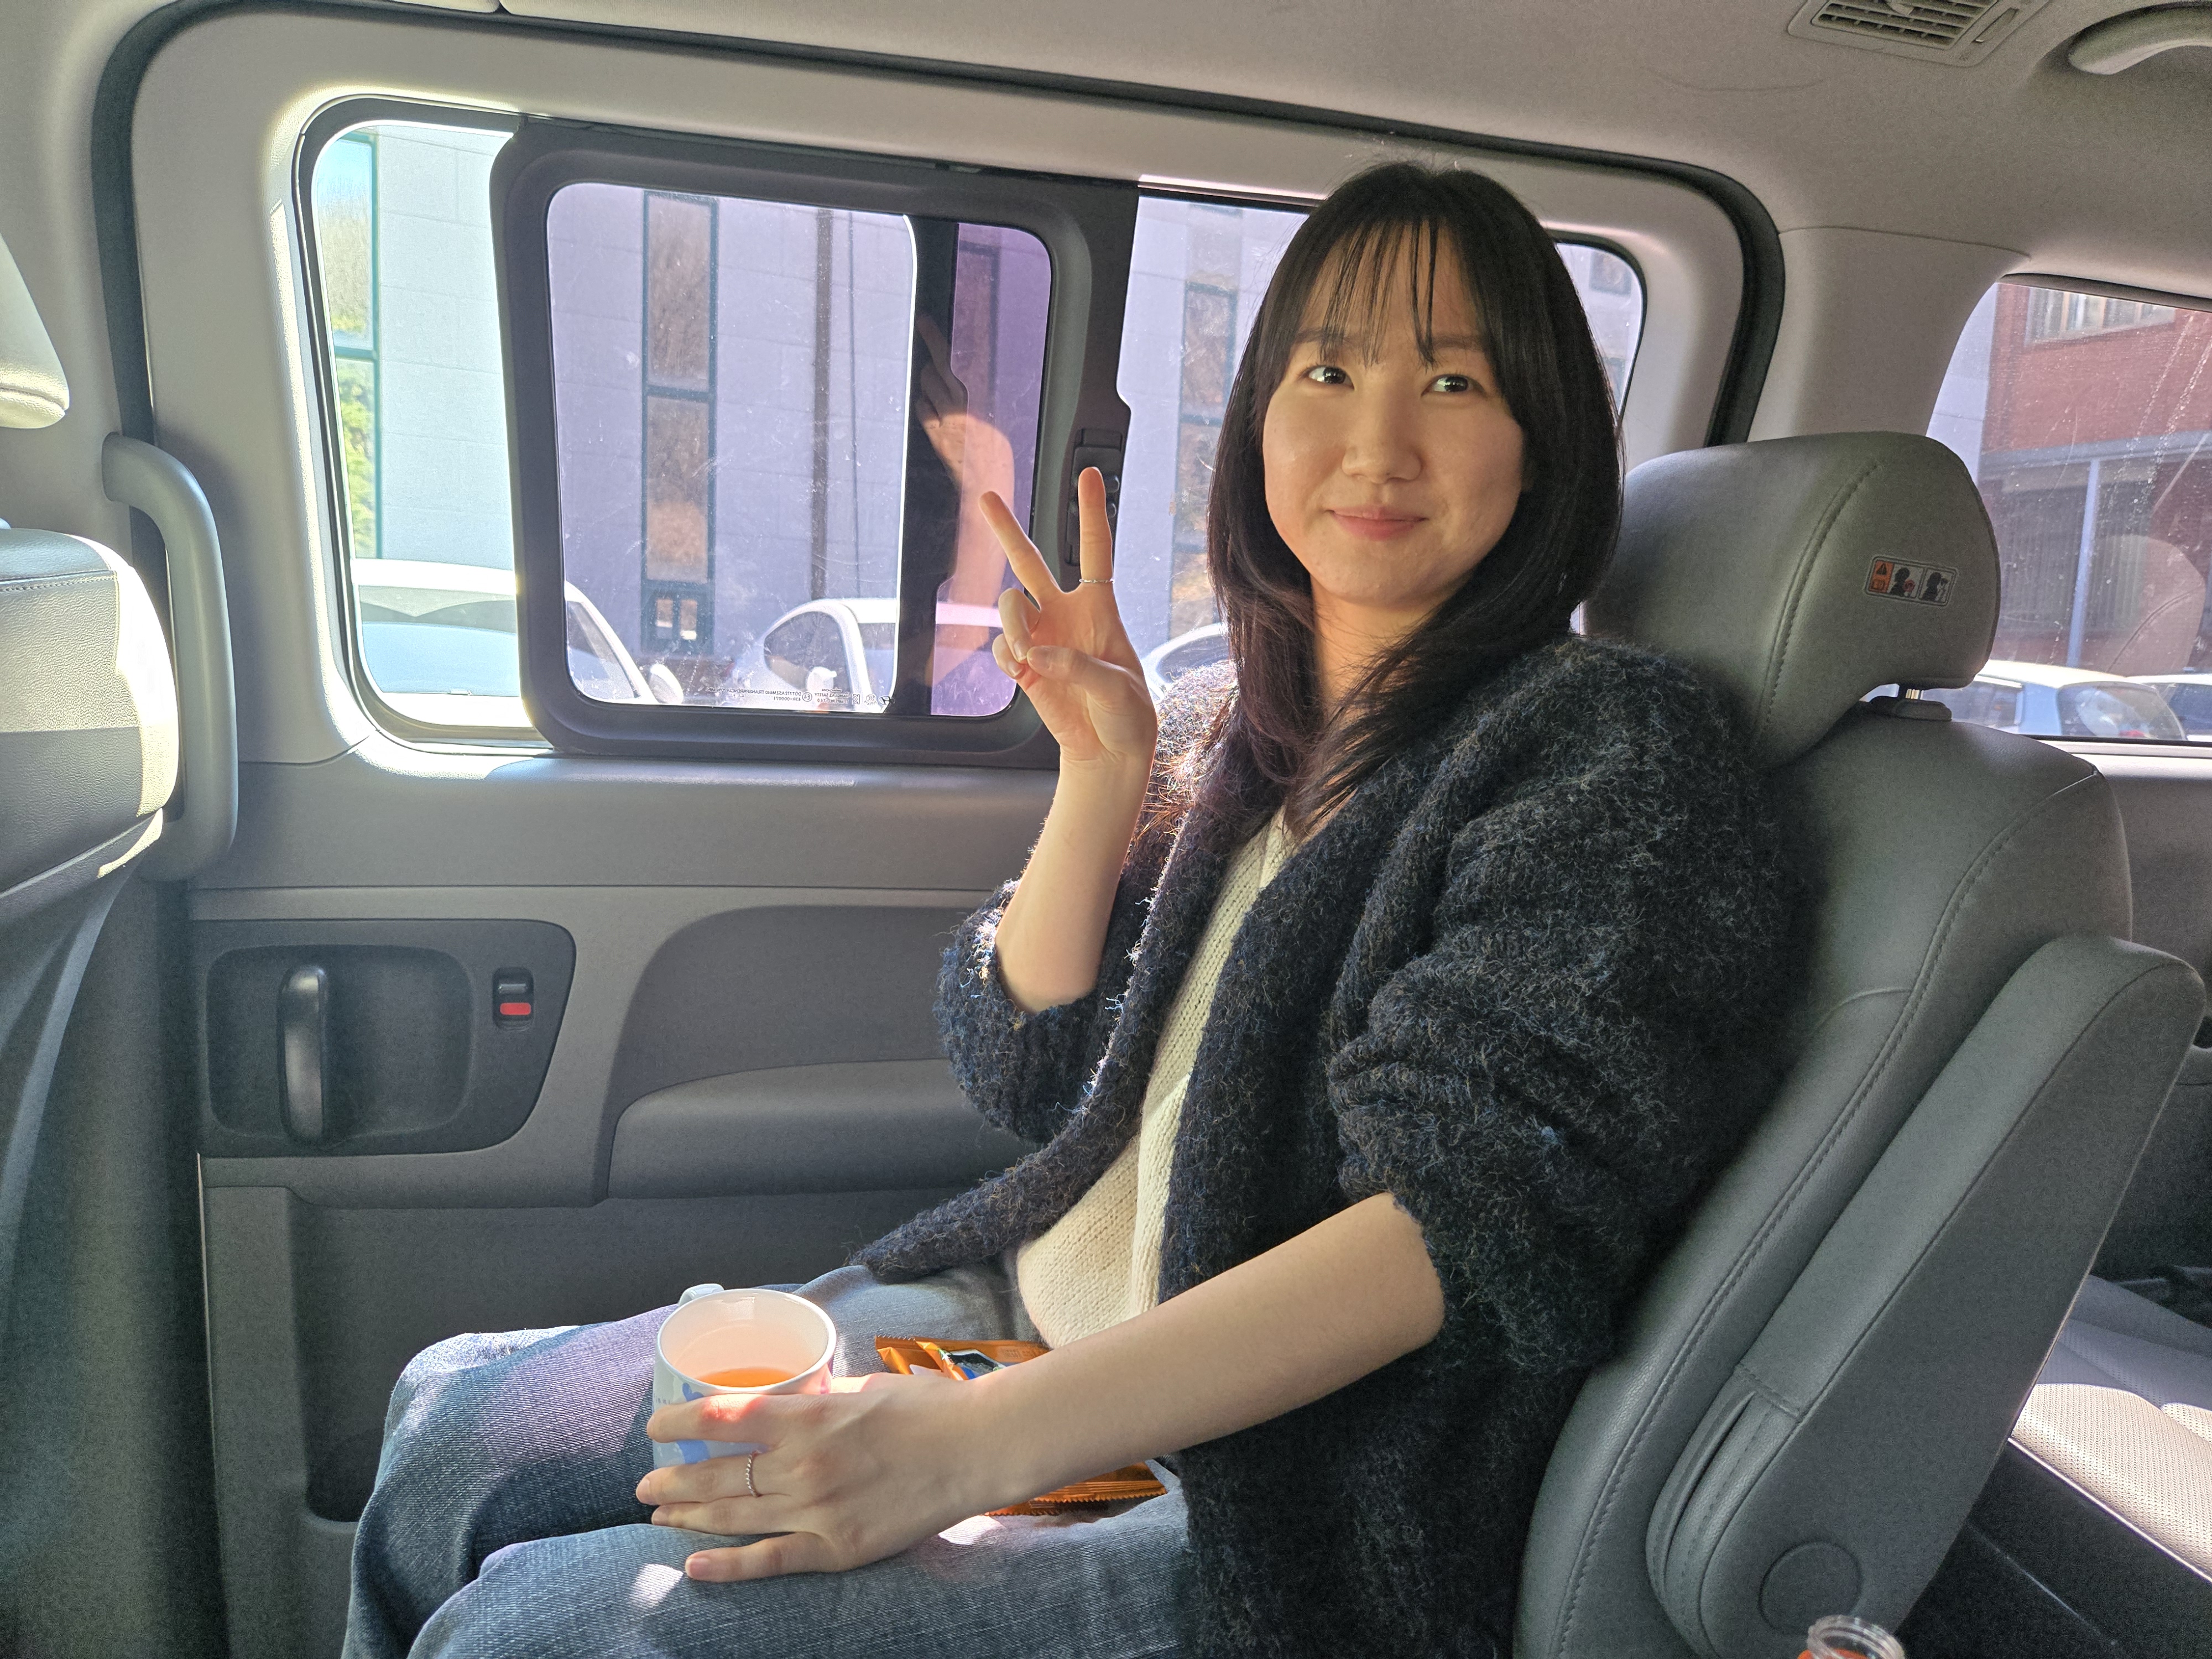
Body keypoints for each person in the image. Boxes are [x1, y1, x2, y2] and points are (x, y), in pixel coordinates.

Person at [343, 161, 1797, 1659]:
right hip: (1019, 1333)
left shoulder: (1611, 752)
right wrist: (1103, 774)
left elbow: (1467, 1219)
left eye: (1452, 381)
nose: (1378, 441)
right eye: (1328, 372)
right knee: (455, 1428)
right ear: (1260, 421)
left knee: (541, 1635)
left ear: (1543, 445)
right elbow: (1023, 1066)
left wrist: (964, 1453)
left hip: (1256, 1496)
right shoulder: (1236, 730)